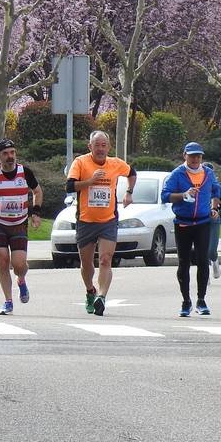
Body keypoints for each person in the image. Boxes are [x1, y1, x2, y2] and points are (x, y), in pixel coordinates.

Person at [65, 131, 136, 316]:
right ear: (90, 147)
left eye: (104, 145)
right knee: (87, 264)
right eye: (97, 145)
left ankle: (102, 297)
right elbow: (70, 186)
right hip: (86, 221)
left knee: (105, 259)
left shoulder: (116, 163)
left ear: (109, 147)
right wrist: (90, 181)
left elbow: (132, 173)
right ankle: (90, 291)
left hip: (108, 220)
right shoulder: (80, 162)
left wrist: (129, 192)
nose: (101, 149)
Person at [161, 143, 221, 316]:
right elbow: (165, 195)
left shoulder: (208, 173)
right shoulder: (177, 174)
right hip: (183, 223)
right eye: (192, 156)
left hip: (203, 223)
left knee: (203, 260)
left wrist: (214, 209)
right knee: (184, 262)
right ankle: (186, 301)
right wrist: (183, 195)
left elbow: (216, 191)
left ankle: (201, 300)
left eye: (198, 156)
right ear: (185, 156)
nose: (195, 159)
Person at [0, 138, 43, 315]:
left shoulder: (25, 172)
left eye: (12, 153)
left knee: (18, 264)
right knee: (2, 259)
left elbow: (37, 191)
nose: (10, 157)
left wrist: (36, 213)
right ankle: (8, 302)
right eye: (5, 154)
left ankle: (21, 279)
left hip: (19, 224)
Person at [205, 163, 221, 279]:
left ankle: (215, 261)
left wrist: (216, 209)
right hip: (199, 220)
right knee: (201, 250)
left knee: (211, 250)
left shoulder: (216, 187)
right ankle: (205, 275)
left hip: (213, 220)